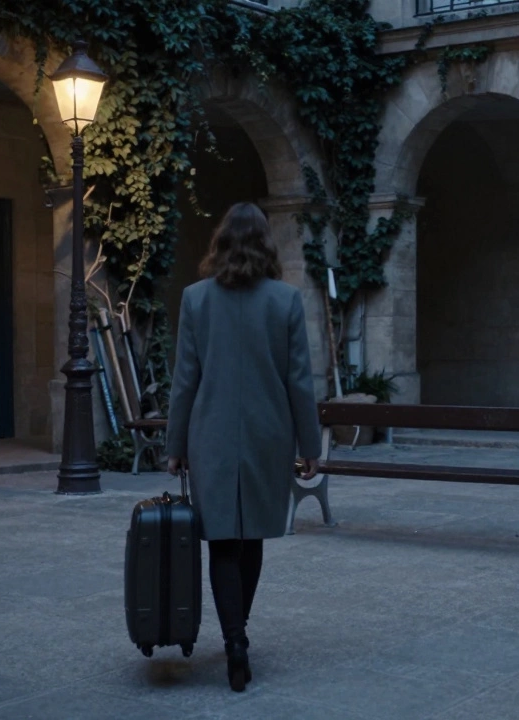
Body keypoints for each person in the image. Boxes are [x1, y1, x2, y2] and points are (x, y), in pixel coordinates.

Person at [165, 202, 322, 691]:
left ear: (221, 243)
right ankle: (239, 635)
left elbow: (185, 380)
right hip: (267, 434)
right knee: (250, 536)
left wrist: (175, 444)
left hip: (209, 435)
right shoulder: (286, 300)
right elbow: (300, 381)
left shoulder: (195, 299)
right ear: (265, 245)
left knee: (221, 540)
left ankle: (235, 639)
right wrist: (311, 444)